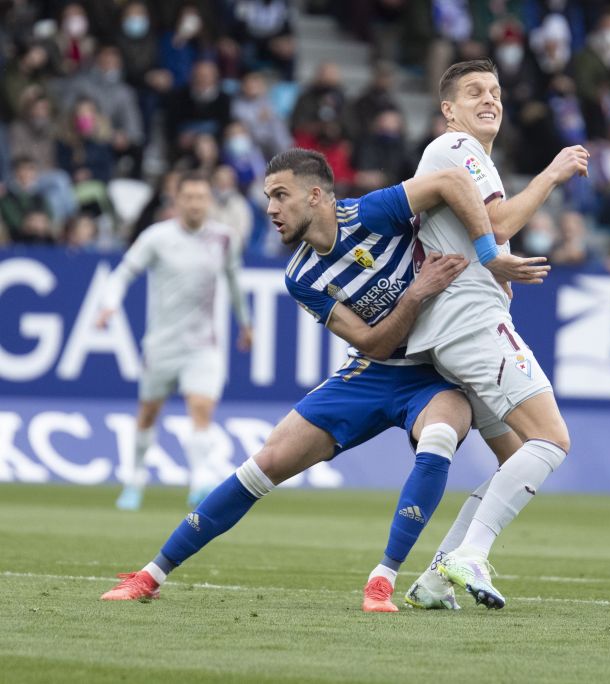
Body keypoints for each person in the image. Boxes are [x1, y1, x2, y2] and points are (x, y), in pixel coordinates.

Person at [99, 149, 549, 611]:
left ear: (315, 196)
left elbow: (452, 179)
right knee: (266, 462)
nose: (270, 209)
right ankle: (151, 574)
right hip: (371, 373)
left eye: (280, 196)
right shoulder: (300, 276)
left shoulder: (373, 212)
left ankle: (384, 578)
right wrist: (415, 293)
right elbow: (372, 344)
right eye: (267, 198)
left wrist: (488, 254)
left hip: (435, 372)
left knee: (441, 435)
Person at [402, 59, 589, 611]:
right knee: (551, 439)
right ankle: (469, 555)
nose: (490, 100)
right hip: (469, 323)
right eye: (475, 92)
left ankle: (437, 579)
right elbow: (502, 224)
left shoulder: (473, 157)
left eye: (496, 92)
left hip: (458, 325)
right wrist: (552, 173)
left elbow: (488, 236)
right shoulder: (457, 149)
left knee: (516, 457)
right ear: (448, 110)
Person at [95, 172, 253, 511]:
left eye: (201, 197)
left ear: (208, 201)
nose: (195, 203)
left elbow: (235, 282)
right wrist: (109, 304)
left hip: (203, 344)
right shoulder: (156, 237)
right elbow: (123, 273)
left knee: (201, 408)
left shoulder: (225, 238)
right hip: (162, 343)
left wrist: (246, 323)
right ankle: (135, 478)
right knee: (148, 413)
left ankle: (199, 482)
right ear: (177, 200)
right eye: (189, 197)